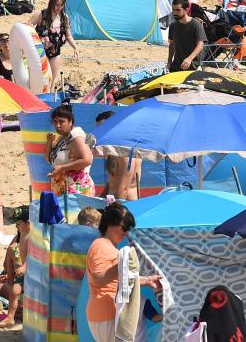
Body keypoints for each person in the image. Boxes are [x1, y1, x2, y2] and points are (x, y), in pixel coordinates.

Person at [85, 203, 163, 342]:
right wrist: (122, 263)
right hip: (106, 314)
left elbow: (119, 279)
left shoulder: (108, 245)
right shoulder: (101, 245)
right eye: (124, 227)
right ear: (111, 224)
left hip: (106, 314)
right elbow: (98, 278)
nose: (126, 232)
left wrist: (146, 280)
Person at [47, 104, 94, 196]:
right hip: (63, 188)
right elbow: (49, 159)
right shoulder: (63, 137)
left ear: (70, 121)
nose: (57, 125)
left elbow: (87, 160)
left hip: (76, 190)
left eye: (61, 121)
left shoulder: (75, 135)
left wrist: (62, 168)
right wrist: (49, 143)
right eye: (55, 121)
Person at [95, 110, 141, 201]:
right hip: (115, 203)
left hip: (127, 205)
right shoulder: (112, 149)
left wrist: (116, 210)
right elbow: (113, 182)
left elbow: (124, 190)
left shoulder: (126, 151)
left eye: (103, 129)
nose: (99, 133)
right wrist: (99, 200)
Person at [167, 0, 206, 70]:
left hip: (192, 66)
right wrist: (169, 61)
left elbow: (200, 45)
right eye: (173, 10)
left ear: (186, 10)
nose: (175, 13)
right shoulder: (172, 26)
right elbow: (172, 45)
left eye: (178, 10)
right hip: (176, 65)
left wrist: (189, 59)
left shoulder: (196, 25)